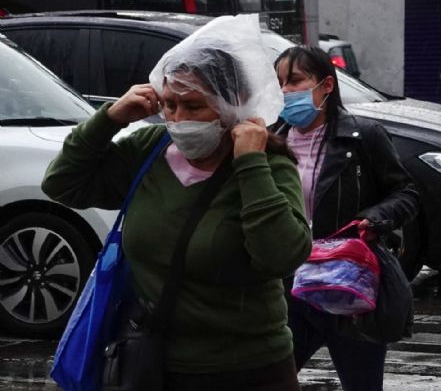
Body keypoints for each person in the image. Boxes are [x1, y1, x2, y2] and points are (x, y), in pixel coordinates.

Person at [41, 20, 311, 390]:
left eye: (194, 106)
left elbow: (282, 256)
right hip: (152, 363)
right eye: (169, 105)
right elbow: (62, 184)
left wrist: (250, 163)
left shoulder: (267, 165)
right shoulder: (149, 151)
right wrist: (109, 119)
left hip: (248, 368)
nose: (179, 120)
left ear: (231, 106)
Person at [272, 46, 420, 391]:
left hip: (347, 286)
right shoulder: (269, 140)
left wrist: (375, 218)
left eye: (295, 80)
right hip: (287, 288)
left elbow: (406, 193)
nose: (285, 91)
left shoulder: (363, 137)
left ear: (326, 86)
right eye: (280, 82)